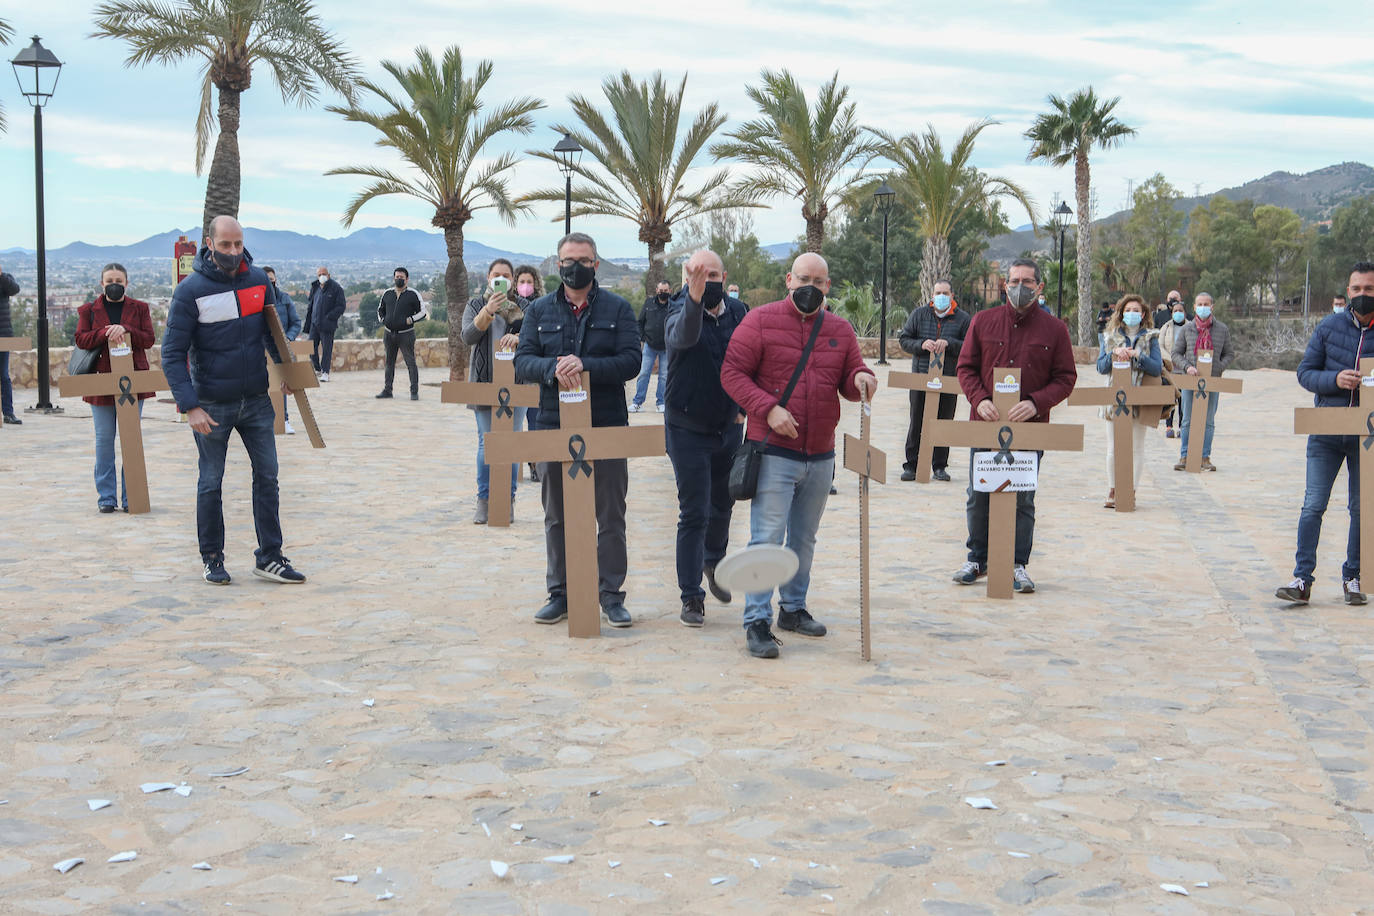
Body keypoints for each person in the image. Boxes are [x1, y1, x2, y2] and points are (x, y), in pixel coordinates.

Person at [720, 252, 877, 659]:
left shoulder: (840, 330)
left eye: (819, 280)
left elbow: (850, 375)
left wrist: (863, 378)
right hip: (774, 451)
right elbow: (732, 373)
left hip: (820, 453)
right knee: (767, 537)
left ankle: (792, 608)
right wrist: (768, 409)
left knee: (804, 538)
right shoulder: (759, 321)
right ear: (789, 279)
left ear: (828, 285)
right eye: (803, 278)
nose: (810, 286)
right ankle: (757, 619)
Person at [161, 215, 305, 586]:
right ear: (209, 244)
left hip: (256, 399)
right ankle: (212, 558)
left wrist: (286, 372)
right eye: (225, 244)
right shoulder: (190, 291)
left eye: (238, 244)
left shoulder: (258, 281)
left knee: (268, 477)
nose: (233, 251)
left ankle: (270, 557)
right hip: (211, 404)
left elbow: (273, 335)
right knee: (211, 482)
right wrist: (189, 405)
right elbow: (172, 354)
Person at [514, 232, 640, 628]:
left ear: (596, 264)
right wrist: (553, 369)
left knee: (611, 515)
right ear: (557, 264)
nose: (575, 267)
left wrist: (582, 365)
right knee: (557, 516)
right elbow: (523, 362)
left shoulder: (618, 309)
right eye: (567, 260)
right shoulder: (538, 312)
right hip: (554, 425)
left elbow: (631, 361)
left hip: (605, 425)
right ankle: (561, 593)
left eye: (583, 260)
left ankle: (611, 595)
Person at [953, 257, 1077, 594]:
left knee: (1022, 497)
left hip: (1029, 430)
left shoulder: (1056, 330)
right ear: (1004, 284)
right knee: (978, 495)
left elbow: (1066, 378)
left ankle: (1017, 564)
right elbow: (965, 368)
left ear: (1039, 287)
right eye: (1013, 280)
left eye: (1026, 281)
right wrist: (980, 399)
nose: (1019, 287)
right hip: (986, 426)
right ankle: (977, 558)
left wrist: (1036, 401)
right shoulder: (982, 321)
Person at [1276, 262, 1374, 606]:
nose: (1363, 295)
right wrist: (1334, 380)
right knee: (1313, 505)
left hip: (1368, 438)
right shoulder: (1329, 327)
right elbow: (1305, 373)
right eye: (1357, 289)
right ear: (1348, 292)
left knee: (1363, 509)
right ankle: (1302, 578)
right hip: (1326, 432)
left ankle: (1353, 577)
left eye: (1370, 290)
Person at [664, 249, 749, 627]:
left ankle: (714, 561)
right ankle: (691, 597)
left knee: (724, 503)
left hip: (729, 425)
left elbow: (751, 358)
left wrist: (750, 400)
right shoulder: (677, 308)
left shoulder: (739, 312)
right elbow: (682, 338)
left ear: (724, 275)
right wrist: (694, 300)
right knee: (694, 512)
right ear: (686, 277)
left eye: (713, 274)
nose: (707, 280)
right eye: (698, 274)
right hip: (686, 428)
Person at [73, 263, 156, 513]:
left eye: (118, 279)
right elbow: (80, 339)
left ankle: (131, 496)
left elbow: (149, 339)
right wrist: (105, 332)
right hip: (101, 382)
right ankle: (106, 498)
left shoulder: (140, 309)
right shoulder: (88, 310)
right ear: (102, 283)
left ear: (126, 283)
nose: (114, 284)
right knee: (104, 441)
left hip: (133, 383)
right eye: (109, 280)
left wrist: (126, 329)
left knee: (131, 440)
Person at [461, 258, 528, 524]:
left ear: (512, 279)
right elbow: (467, 337)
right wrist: (488, 311)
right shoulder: (476, 305)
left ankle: (508, 500)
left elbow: (537, 338)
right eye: (496, 275)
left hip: (517, 385)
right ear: (488, 277)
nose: (501, 279)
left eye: (506, 275)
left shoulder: (524, 307)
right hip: (483, 384)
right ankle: (484, 499)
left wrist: (520, 338)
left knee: (511, 445)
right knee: (486, 444)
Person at [897, 279, 970, 482]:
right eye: (938, 292)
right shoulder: (919, 315)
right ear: (932, 295)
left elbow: (970, 346)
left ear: (952, 296)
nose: (941, 296)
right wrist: (922, 344)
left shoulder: (963, 319)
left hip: (948, 379)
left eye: (945, 293)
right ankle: (911, 465)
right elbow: (904, 339)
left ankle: (939, 466)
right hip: (920, 378)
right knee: (917, 422)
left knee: (943, 423)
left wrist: (950, 344)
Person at [1095, 294, 1162, 508]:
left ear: (1143, 315)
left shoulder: (1151, 338)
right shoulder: (1110, 336)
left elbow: (1156, 367)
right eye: (1128, 310)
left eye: (1136, 310)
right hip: (1114, 398)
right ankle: (1114, 489)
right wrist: (1114, 353)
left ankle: (1131, 490)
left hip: (1140, 397)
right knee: (1113, 447)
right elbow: (1101, 367)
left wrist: (1137, 355)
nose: (1132, 313)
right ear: (1121, 312)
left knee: (1137, 448)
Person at [1172, 292, 1234, 472]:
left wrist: (1218, 367)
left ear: (1212, 306)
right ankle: (1185, 455)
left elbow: (1230, 353)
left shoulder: (1222, 329)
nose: (1203, 307)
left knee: (1208, 421)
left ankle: (1205, 457)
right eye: (1200, 304)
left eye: (1206, 304)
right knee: (1187, 420)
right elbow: (1176, 353)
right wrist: (1187, 367)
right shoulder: (1186, 329)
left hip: (1212, 382)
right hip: (1191, 381)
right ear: (1194, 307)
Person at [376, 266, 428, 400]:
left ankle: (414, 392)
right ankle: (388, 390)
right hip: (389, 333)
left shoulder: (413, 294)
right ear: (394, 278)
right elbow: (380, 309)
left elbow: (423, 312)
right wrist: (383, 320)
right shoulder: (387, 293)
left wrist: (411, 319)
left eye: (402, 278)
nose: (399, 279)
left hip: (406, 334)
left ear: (407, 279)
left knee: (410, 363)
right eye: (397, 277)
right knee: (389, 363)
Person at [513, 264, 545, 483]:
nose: (525, 286)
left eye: (529, 282)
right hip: (512, 374)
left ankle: (536, 464)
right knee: (514, 423)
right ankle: (512, 465)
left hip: (534, 373)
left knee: (535, 422)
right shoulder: (507, 306)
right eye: (521, 282)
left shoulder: (543, 307)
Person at [262, 266, 302, 435]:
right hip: (260, 350)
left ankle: (283, 419)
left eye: (272, 279)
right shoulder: (256, 300)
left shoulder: (284, 299)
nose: (271, 283)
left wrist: (288, 338)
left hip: (280, 349)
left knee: (282, 385)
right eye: (267, 280)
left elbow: (296, 322)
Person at [632, 280, 671, 412]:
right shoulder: (649, 303)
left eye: (665, 291)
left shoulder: (674, 305)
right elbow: (640, 322)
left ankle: (661, 403)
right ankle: (637, 402)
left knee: (664, 376)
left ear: (669, 291)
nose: (663, 293)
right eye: (661, 291)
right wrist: (642, 338)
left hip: (667, 347)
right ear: (656, 290)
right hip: (649, 346)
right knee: (643, 373)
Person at [304, 265, 346, 381]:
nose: (322, 276)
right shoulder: (315, 287)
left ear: (329, 275)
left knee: (326, 349)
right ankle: (317, 369)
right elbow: (311, 304)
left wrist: (330, 317)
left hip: (327, 324)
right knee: (311, 348)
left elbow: (341, 306)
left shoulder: (336, 288)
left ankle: (325, 372)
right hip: (314, 323)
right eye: (319, 275)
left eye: (324, 274)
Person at [1157, 298, 1188, 438]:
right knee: (1170, 398)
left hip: (1184, 369)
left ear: (1185, 312)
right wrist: (1170, 359)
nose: (1178, 313)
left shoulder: (1190, 327)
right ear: (1172, 313)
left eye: (1180, 311)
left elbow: (1192, 347)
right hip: (1170, 369)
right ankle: (1169, 427)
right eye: (1175, 311)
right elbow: (1160, 345)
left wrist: (1181, 361)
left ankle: (1182, 426)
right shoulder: (1166, 327)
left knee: (1183, 400)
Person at [0, 263, 20, 424]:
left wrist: (1, 276)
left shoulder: (5, 279)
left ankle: (8, 412)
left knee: (4, 376)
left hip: (3, 336)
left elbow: (14, 289)